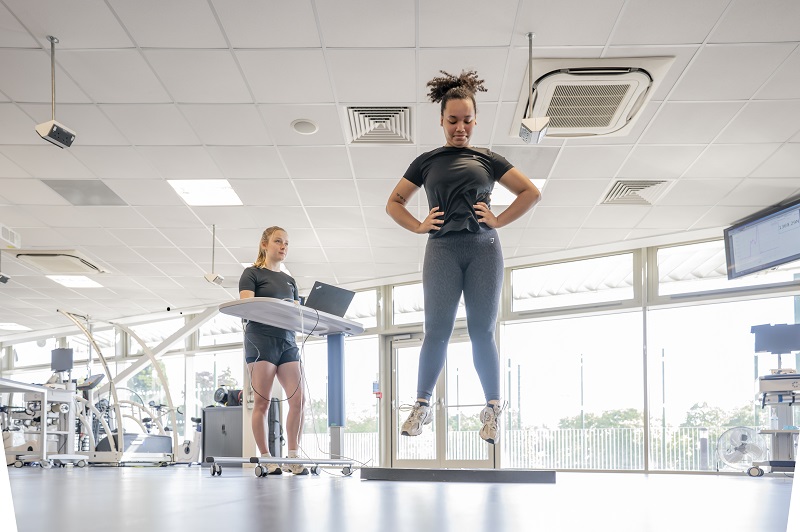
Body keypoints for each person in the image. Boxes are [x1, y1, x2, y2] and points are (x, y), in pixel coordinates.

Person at [386, 70, 541, 444]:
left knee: (481, 331)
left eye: (467, 120)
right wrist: (419, 226)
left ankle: (492, 410)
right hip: (441, 249)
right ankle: (422, 405)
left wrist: (499, 219)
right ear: (441, 120)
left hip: (484, 248)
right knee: (436, 331)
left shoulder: (488, 158)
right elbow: (394, 203)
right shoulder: (427, 161)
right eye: (453, 120)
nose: (460, 128)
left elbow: (530, 192)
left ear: (475, 120)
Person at [239, 226, 307, 474]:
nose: (283, 247)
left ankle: (292, 456)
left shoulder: (290, 281)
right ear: (265, 244)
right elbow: (246, 307)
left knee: (299, 400)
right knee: (262, 402)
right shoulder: (252, 273)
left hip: (287, 341)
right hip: (261, 340)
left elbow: (296, 313)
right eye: (279, 241)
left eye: (287, 243)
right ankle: (266, 457)